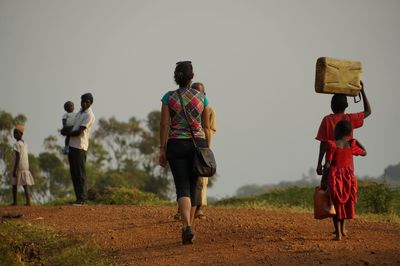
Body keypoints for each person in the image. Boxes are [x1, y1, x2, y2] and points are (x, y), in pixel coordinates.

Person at [159, 61, 211, 245]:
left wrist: (162, 149)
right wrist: (207, 149)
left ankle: (187, 226)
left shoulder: (168, 97)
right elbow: (206, 126)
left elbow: (164, 125)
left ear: (176, 77)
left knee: (182, 187)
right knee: (194, 187)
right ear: (192, 77)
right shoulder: (202, 97)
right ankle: (189, 226)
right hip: (198, 145)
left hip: (175, 145)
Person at [316, 81, 371, 176]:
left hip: (332, 168)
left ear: (332, 105)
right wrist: (362, 91)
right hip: (347, 171)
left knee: (328, 189)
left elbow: (323, 143)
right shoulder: (350, 119)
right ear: (346, 105)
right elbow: (368, 111)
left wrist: (319, 163)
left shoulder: (327, 120)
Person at [323, 120, 366, 240]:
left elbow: (327, 164)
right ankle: (342, 229)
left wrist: (323, 180)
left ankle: (338, 234)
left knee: (336, 205)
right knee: (345, 204)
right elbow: (364, 153)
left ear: (337, 131)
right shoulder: (351, 145)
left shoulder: (331, 145)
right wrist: (357, 141)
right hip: (348, 179)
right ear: (349, 133)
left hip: (335, 179)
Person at [61, 93, 95, 205]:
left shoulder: (89, 115)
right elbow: (73, 127)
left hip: (80, 147)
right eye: (82, 101)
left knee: (80, 174)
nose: (84, 103)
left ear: (90, 103)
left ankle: (83, 199)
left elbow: (79, 131)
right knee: (74, 173)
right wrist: (64, 130)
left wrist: (68, 133)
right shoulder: (79, 113)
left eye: (87, 101)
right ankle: (78, 198)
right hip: (72, 146)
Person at [191, 82, 217, 219]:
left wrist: (206, 147)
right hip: (188, 145)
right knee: (186, 178)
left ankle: (199, 208)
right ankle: (182, 208)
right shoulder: (187, 110)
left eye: (199, 93)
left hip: (202, 147)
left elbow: (211, 129)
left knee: (201, 179)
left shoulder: (210, 110)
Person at [11, 125, 35, 206]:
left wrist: (14, 169)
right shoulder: (24, 143)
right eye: (14, 133)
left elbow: (17, 157)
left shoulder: (16, 144)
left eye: (16, 133)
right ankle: (28, 202)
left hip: (19, 166)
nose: (14, 134)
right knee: (25, 185)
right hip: (25, 166)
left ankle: (15, 202)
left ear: (21, 134)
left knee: (14, 184)